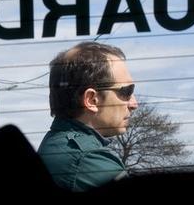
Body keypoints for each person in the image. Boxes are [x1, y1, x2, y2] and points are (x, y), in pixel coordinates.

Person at [37, 41, 138, 191]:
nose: (134, 104)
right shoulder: (87, 160)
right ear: (91, 100)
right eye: (126, 92)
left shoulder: (58, 145)